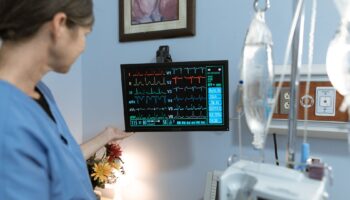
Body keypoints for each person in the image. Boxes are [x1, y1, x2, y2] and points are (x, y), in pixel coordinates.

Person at [0, 0, 133, 199]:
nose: (83, 47)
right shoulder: (7, 120)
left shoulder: (39, 92)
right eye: (84, 35)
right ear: (59, 24)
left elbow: (59, 163)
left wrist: (106, 136)